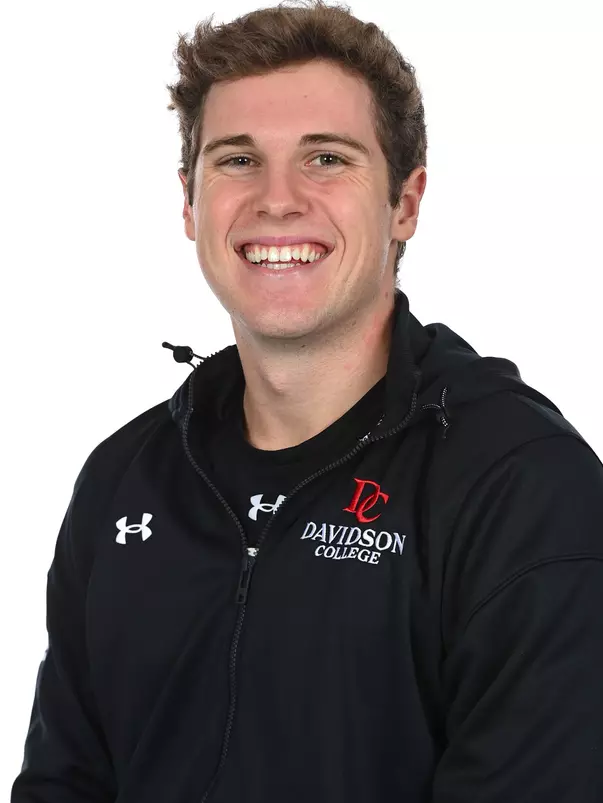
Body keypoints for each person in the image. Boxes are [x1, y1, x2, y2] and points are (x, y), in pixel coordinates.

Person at [11, 0, 603, 800]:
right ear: (188, 204)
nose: (277, 199)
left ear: (405, 203)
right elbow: (63, 782)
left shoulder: (522, 489)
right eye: (236, 160)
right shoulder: (125, 478)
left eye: (326, 159)